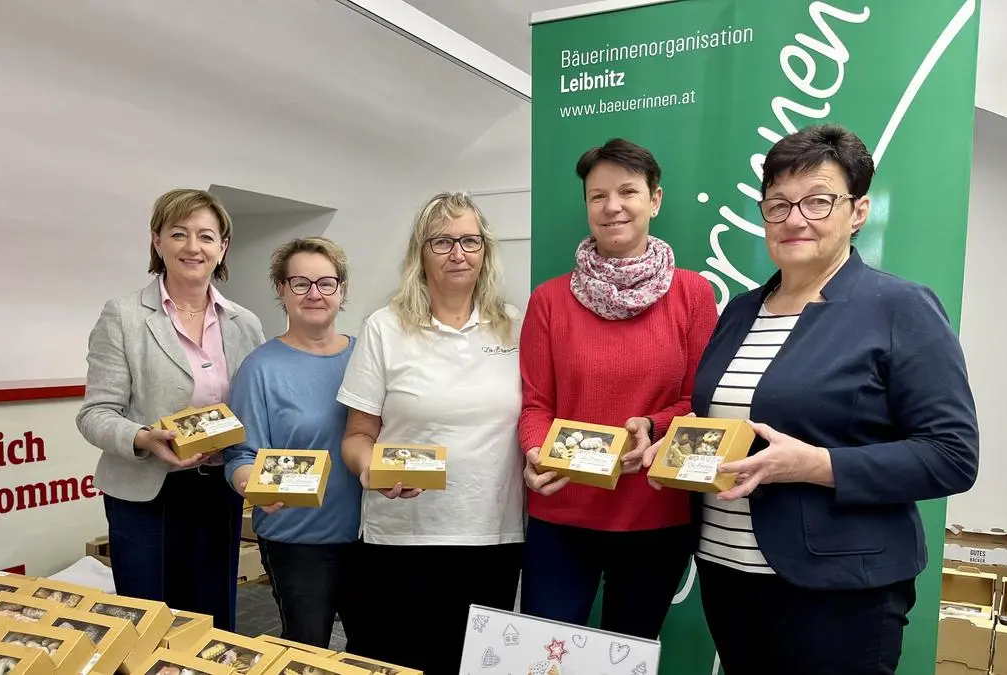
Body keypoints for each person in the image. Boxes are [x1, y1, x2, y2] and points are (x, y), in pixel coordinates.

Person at [666, 123, 979, 674]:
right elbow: (733, 423)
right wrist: (672, 441)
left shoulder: (899, 307)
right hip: (726, 572)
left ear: (858, 211)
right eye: (778, 204)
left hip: (839, 591)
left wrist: (816, 465)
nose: (794, 219)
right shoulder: (740, 311)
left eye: (817, 201)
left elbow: (951, 455)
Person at [517, 138, 719, 639]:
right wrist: (536, 451)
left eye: (627, 192)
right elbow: (536, 404)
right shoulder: (549, 300)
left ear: (655, 200)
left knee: (627, 657)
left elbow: (702, 403)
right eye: (597, 196)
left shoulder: (693, 294)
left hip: (656, 513)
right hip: (562, 511)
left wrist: (654, 424)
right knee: (544, 656)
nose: (612, 207)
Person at [336, 192, 524, 675]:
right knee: (400, 664)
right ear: (420, 252)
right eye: (441, 242)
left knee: (477, 667)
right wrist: (371, 469)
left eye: (469, 241)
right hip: (403, 538)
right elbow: (357, 435)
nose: (457, 253)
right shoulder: (384, 327)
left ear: (485, 250)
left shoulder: (515, 326)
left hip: (492, 536)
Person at [76, 188, 265, 629]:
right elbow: (95, 414)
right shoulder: (123, 316)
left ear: (223, 247)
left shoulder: (245, 323)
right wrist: (143, 437)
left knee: (213, 619)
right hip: (146, 492)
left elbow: (255, 407)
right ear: (157, 241)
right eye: (179, 234)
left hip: (218, 489)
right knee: (149, 623)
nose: (193, 247)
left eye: (206, 236)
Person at [223, 236, 363, 651]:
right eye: (300, 283)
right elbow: (240, 455)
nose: (314, 294)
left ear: (341, 291)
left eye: (326, 283)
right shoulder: (260, 368)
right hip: (297, 541)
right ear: (281, 290)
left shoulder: (366, 358)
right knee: (306, 651)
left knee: (374, 651)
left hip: (370, 537)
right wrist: (252, 485)